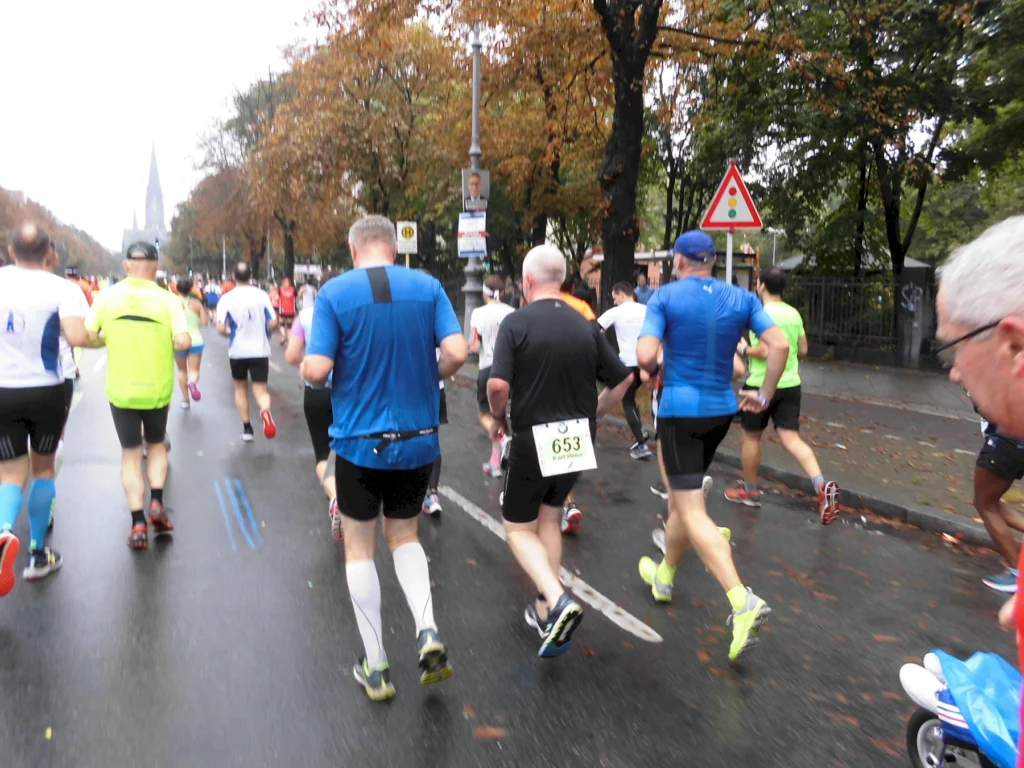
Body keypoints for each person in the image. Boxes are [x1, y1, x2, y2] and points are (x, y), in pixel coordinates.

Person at [304, 215, 467, 700]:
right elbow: (457, 352)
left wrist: (311, 368)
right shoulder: (428, 287)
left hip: (359, 441)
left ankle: (376, 666)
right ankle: (427, 628)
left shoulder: (334, 293)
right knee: (404, 535)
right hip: (418, 438)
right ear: (393, 249)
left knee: (359, 547)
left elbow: (317, 369)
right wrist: (429, 375)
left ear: (353, 249)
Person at [635, 230, 790, 662]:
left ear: (679, 262)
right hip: (721, 410)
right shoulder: (742, 298)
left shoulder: (665, 297)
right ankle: (664, 576)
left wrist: (659, 359)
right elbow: (779, 344)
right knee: (683, 498)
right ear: (712, 261)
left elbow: (645, 356)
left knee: (689, 507)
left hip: (681, 410)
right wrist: (765, 394)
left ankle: (742, 600)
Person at [487, 244, 632, 658]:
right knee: (550, 517)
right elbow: (623, 380)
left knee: (518, 528)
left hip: (533, 436)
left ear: (528, 281)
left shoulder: (516, 323)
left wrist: (497, 416)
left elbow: (497, 385)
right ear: (564, 280)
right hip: (577, 436)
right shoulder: (586, 325)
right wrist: (595, 413)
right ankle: (543, 610)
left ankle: (557, 597)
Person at [0, 222, 90, 593]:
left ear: (10, 250)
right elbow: (77, 336)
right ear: (50, 253)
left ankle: (3, 531)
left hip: (3, 390)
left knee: (9, 473)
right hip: (46, 390)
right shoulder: (64, 289)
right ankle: (38, 555)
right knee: (43, 469)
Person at [85, 241, 190, 549]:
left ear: (126, 266)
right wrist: (165, 340)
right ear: (156, 267)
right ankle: (156, 501)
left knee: (131, 456)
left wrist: (108, 339)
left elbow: (88, 335)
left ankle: (138, 524)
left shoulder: (107, 297)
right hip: (157, 390)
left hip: (122, 391)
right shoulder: (168, 300)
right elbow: (184, 341)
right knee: (156, 446)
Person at [727, 267, 840, 524]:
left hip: (761, 384)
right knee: (791, 438)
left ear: (761, 285)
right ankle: (821, 486)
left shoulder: (759, 313)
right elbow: (803, 349)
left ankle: (750, 491)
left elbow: (765, 351)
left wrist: (744, 350)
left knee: (751, 438)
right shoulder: (793, 313)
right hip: (790, 384)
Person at [285, 275, 340, 540]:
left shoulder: (305, 316)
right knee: (352, 448)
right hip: (354, 393)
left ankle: (335, 496)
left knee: (323, 452)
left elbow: (291, 355)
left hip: (318, 390)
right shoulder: (358, 311)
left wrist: (306, 366)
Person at [216, 262, 278, 442]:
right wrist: (266, 331)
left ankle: (247, 429)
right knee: (260, 390)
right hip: (260, 350)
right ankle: (265, 411)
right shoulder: (262, 295)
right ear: (251, 276)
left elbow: (220, 327)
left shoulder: (226, 299)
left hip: (238, 350)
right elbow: (273, 321)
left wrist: (229, 333)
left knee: (240, 388)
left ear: (233, 277)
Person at [598, 282, 651, 460]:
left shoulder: (616, 312)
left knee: (627, 401)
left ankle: (641, 443)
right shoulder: (646, 310)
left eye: (615, 298)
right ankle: (640, 432)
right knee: (630, 397)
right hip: (646, 362)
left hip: (627, 363)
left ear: (621, 294)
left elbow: (596, 330)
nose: (614, 302)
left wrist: (604, 351)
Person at [471, 275, 515, 477]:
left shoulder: (478, 313)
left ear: (484, 292)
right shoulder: (512, 312)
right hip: (511, 370)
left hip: (489, 368)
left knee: (485, 415)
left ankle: (503, 440)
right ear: (502, 293)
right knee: (500, 415)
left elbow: (475, 346)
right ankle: (495, 463)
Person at [173, 277, 208, 409]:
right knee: (194, 370)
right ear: (190, 289)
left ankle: (185, 400)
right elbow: (204, 322)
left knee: (182, 371)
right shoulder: (196, 304)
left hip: (178, 341)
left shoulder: (173, 303)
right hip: (195, 340)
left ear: (177, 289)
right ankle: (192, 382)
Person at [278, 276, 296, 346]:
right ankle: (289, 340)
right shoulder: (293, 289)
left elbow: (278, 297)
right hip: (291, 310)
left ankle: (284, 335)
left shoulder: (280, 289)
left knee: (281, 324)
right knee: (289, 326)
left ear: (283, 282)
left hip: (282, 310)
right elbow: (296, 298)